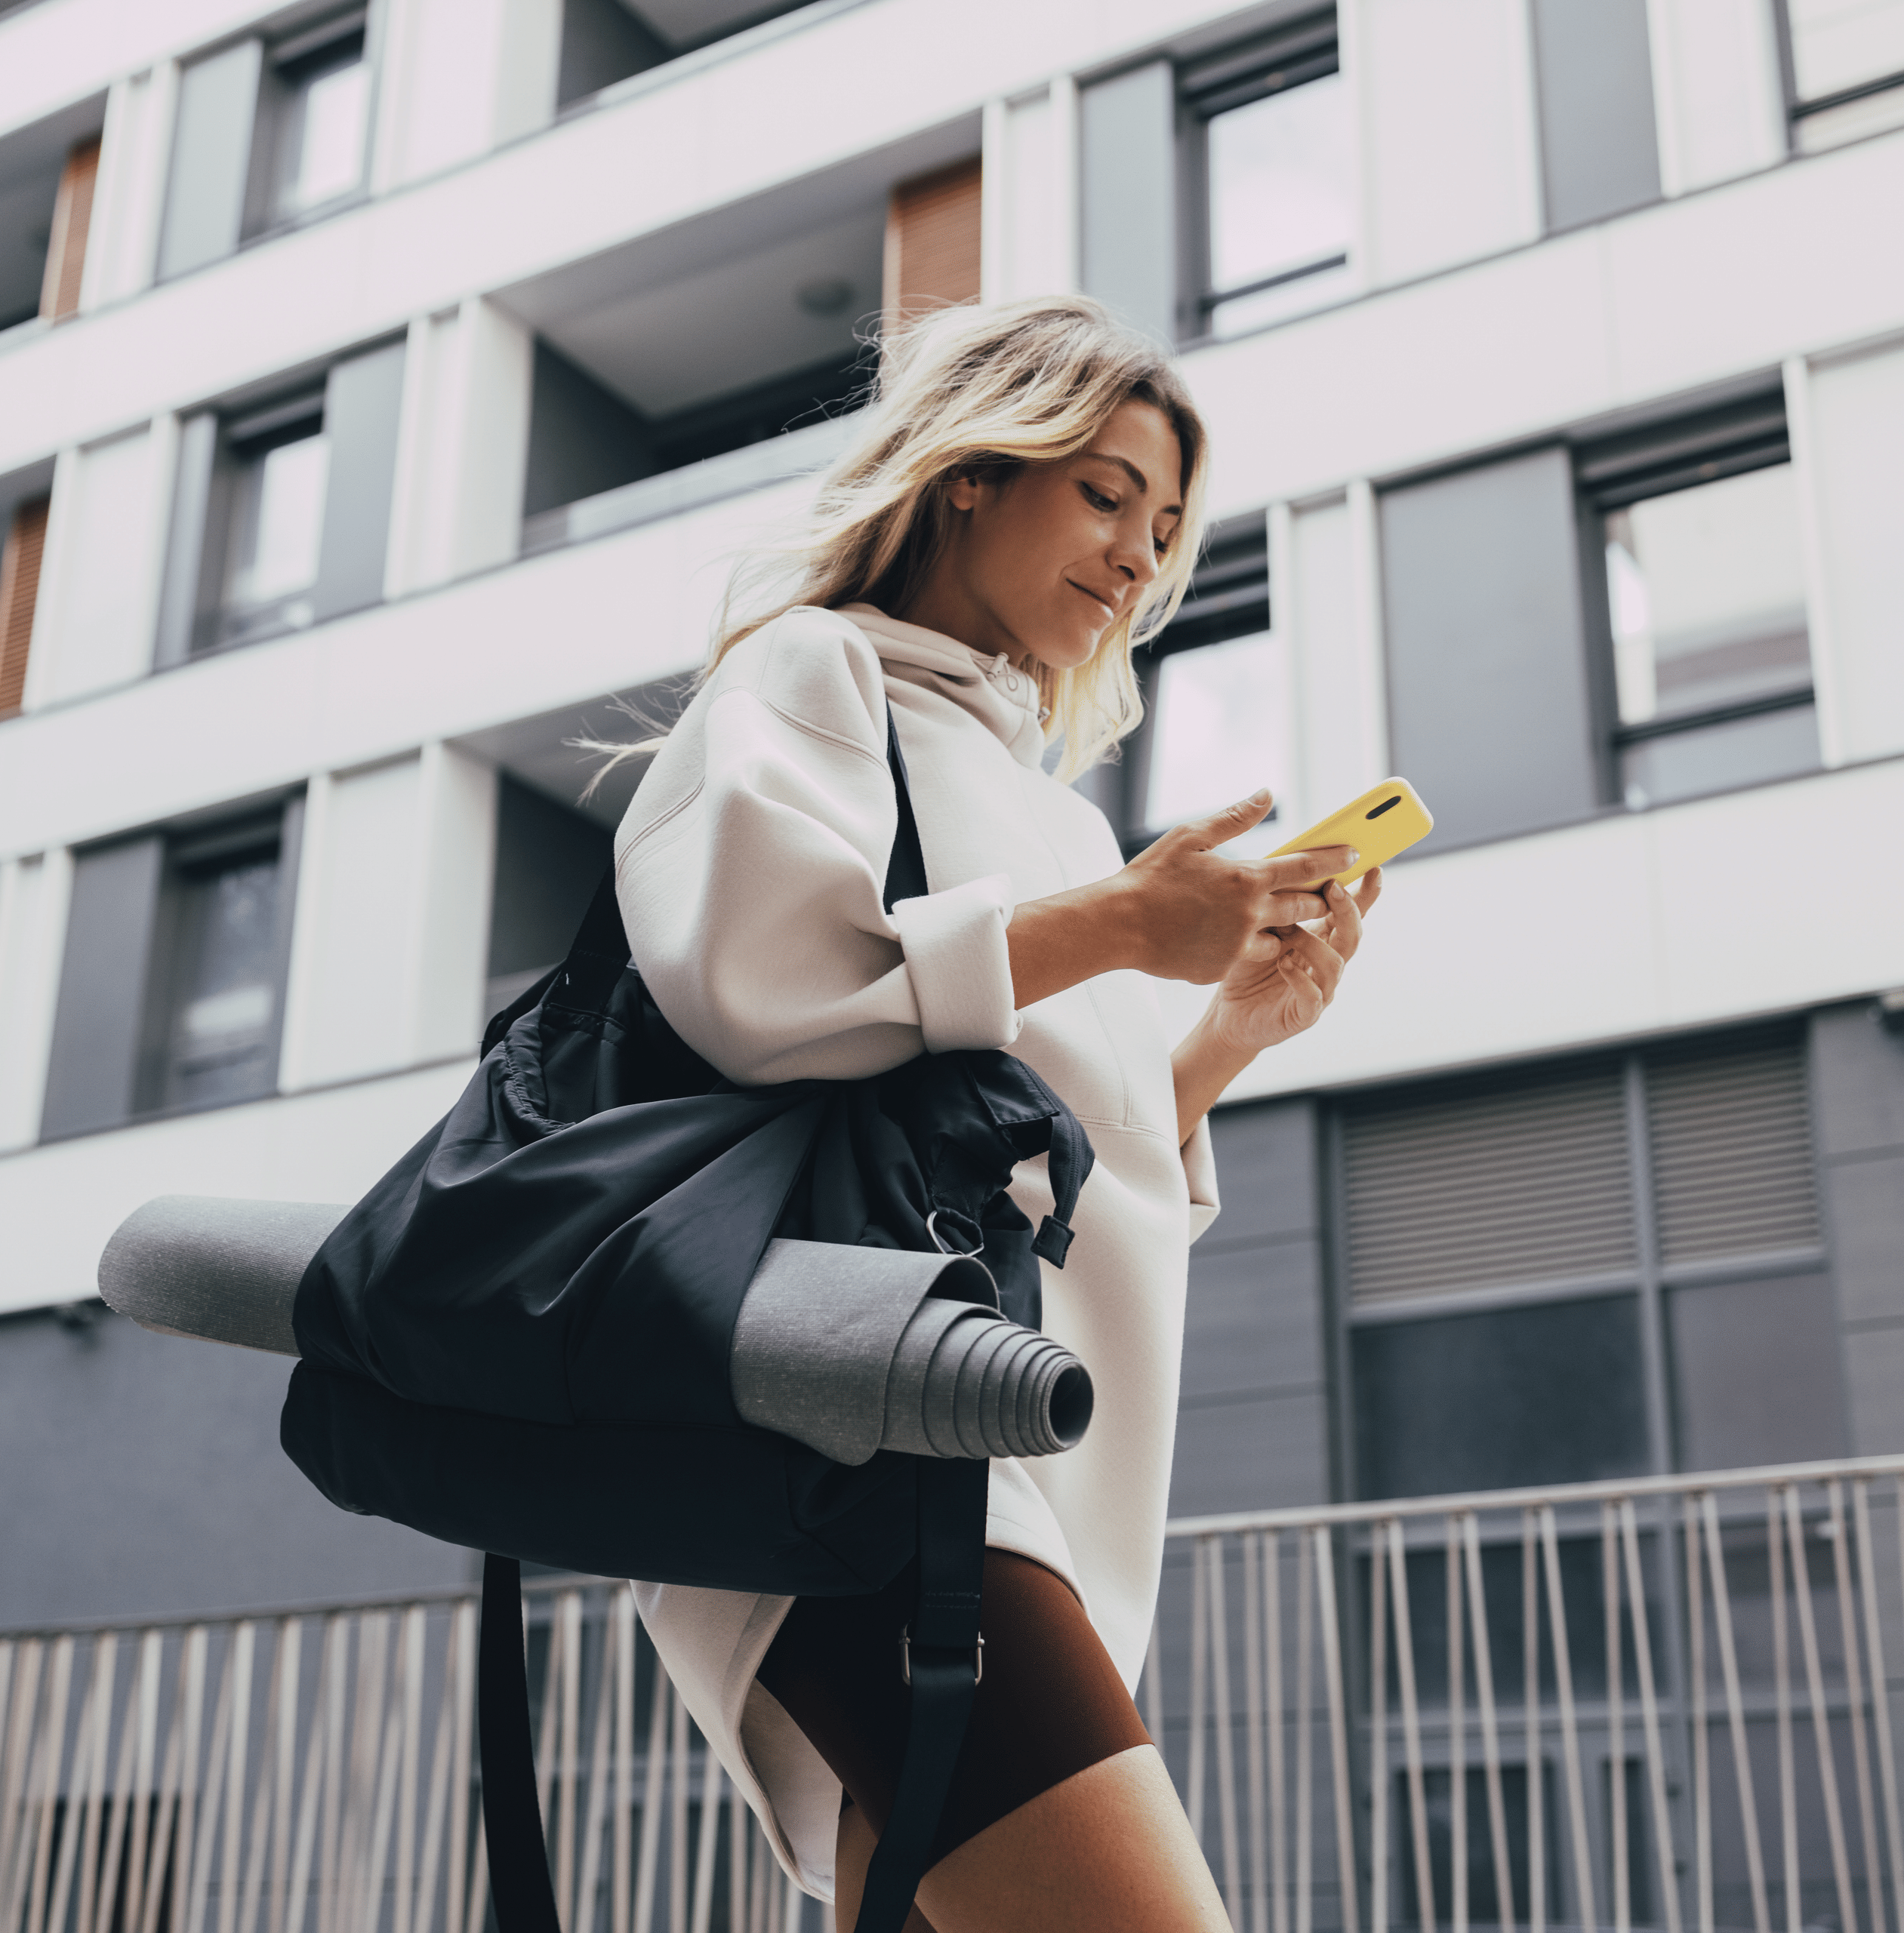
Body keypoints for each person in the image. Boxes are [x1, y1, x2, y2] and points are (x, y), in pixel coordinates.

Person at [611, 294, 1386, 1933]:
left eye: (1164, 525)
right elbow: (760, 985)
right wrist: (1121, 927)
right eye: (1105, 492)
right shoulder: (816, 674)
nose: (1137, 554)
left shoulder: (1053, 810)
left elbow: (1057, 1178)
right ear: (974, 471)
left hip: (973, 1450)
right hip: (864, 1446)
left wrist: (1222, 1034)